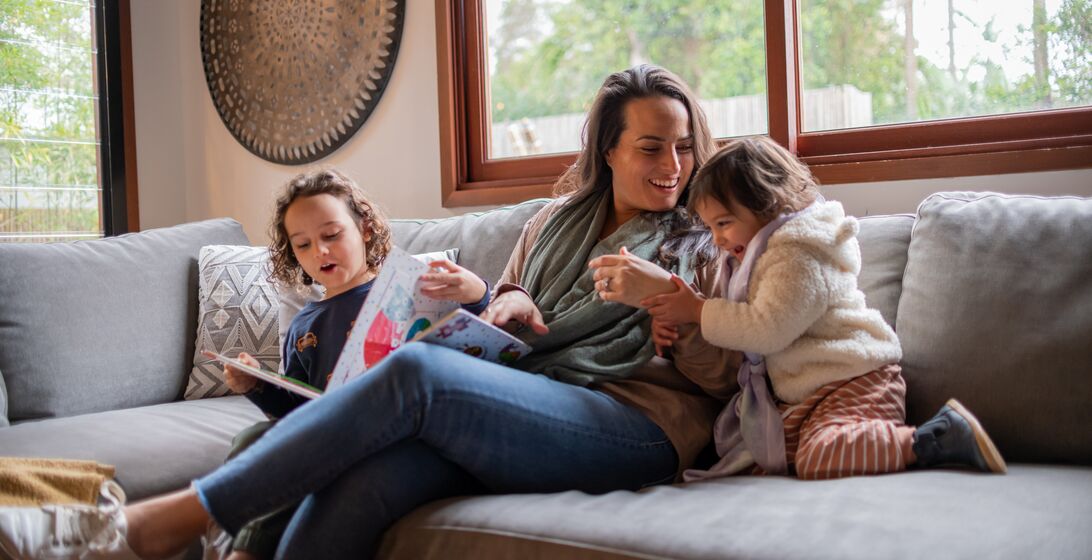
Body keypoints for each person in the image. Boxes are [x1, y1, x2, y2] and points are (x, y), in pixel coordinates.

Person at [0, 64, 738, 560]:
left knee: (418, 374)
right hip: (531, 401)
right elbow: (509, 318)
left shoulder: (706, 236)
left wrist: (677, 306)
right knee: (368, 476)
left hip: (635, 426)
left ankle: (159, 523)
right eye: (650, 148)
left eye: (680, 148)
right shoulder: (554, 223)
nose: (672, 167)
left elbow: (721, 377)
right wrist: (499, 301)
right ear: (608, 150)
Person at [638, 136, 1008, 481]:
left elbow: (767, 328)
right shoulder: (757, 256)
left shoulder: (798, 252)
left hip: (856, 379)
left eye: (724, 223)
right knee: (757, 457)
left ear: (766, 205)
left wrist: (698, 312)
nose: (717, 239)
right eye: (710, 226)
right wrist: (681, 318)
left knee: (818, 456)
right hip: (811, 392)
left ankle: (935, 438)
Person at [212, 169, 491, 560]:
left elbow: (479, 332)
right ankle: (247, 548)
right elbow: (295, 410)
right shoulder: (304, 325)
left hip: (401, 436)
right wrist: (256, 386)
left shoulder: (408, 289)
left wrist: (477, 294)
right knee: (252, 439)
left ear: (365, 229)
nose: (320, 252)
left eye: (331, 235)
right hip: (330, 438)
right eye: (303, 244)